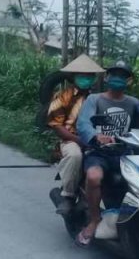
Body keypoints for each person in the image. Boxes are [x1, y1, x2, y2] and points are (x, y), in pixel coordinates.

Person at [75, 60, 139, 246]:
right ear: (107, 77)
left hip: (125, 154)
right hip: (99, 152)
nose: (118, 78)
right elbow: (83, 123)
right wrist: (96, 136)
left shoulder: (133, 103)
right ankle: (94, 221)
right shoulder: (95, 99)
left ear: (129, 80)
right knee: (93, 177)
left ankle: (135, 218)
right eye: (114, 74)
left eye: (122, 76)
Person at [47, 54, 105, 215]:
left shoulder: (100, 98)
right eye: (82, 75)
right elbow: (57, 126)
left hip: (98, 139)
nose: (86, 78)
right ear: (74, 77)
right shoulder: (62, 97)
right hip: (70, 139)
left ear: (94, 78)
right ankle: (68, 196)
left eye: (89, 75)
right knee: (75, 156)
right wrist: (79, 140)